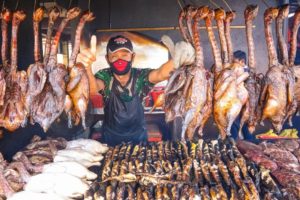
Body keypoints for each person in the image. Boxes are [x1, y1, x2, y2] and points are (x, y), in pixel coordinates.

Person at [77, 35, 194, 146]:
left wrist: (176, 61)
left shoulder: (140, 76)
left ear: (132, 57)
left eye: (124, 55)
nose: (120, 59)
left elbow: (160, 73)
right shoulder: (105, 75)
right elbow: (93, 89)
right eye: (114, 56)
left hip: (138, 139)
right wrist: (86, 67)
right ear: (108, 59)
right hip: (111, 140)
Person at [230, 50, 256, 141]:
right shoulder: (240, 70)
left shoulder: (246, 71)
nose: (233, 64)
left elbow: (235, 83)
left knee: (236, 122)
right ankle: (248, 141)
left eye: (235, 62)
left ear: (242, 62)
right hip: (239, 101)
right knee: (240, 122)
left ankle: (235, 142)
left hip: (243, 101)